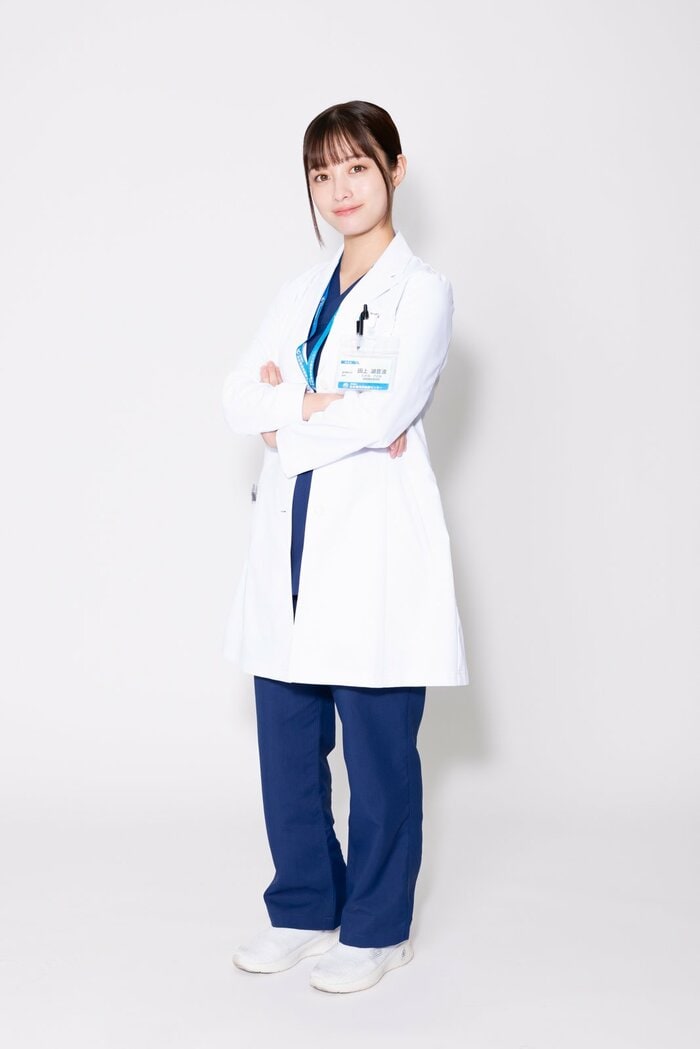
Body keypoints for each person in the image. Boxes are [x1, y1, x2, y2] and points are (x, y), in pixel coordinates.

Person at [221, 100, 469, 994]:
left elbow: (385, 412)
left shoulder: (422, 293)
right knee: (287, 746)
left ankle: (376, 928)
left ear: (395, 170)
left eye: (357, 167)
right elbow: (237, 398)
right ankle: (302, 907)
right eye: (321, 173)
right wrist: (316, 409)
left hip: (372, 555)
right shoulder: (298, 293)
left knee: (377, 754)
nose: (339, 189)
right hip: (287, 547)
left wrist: (290, 414)